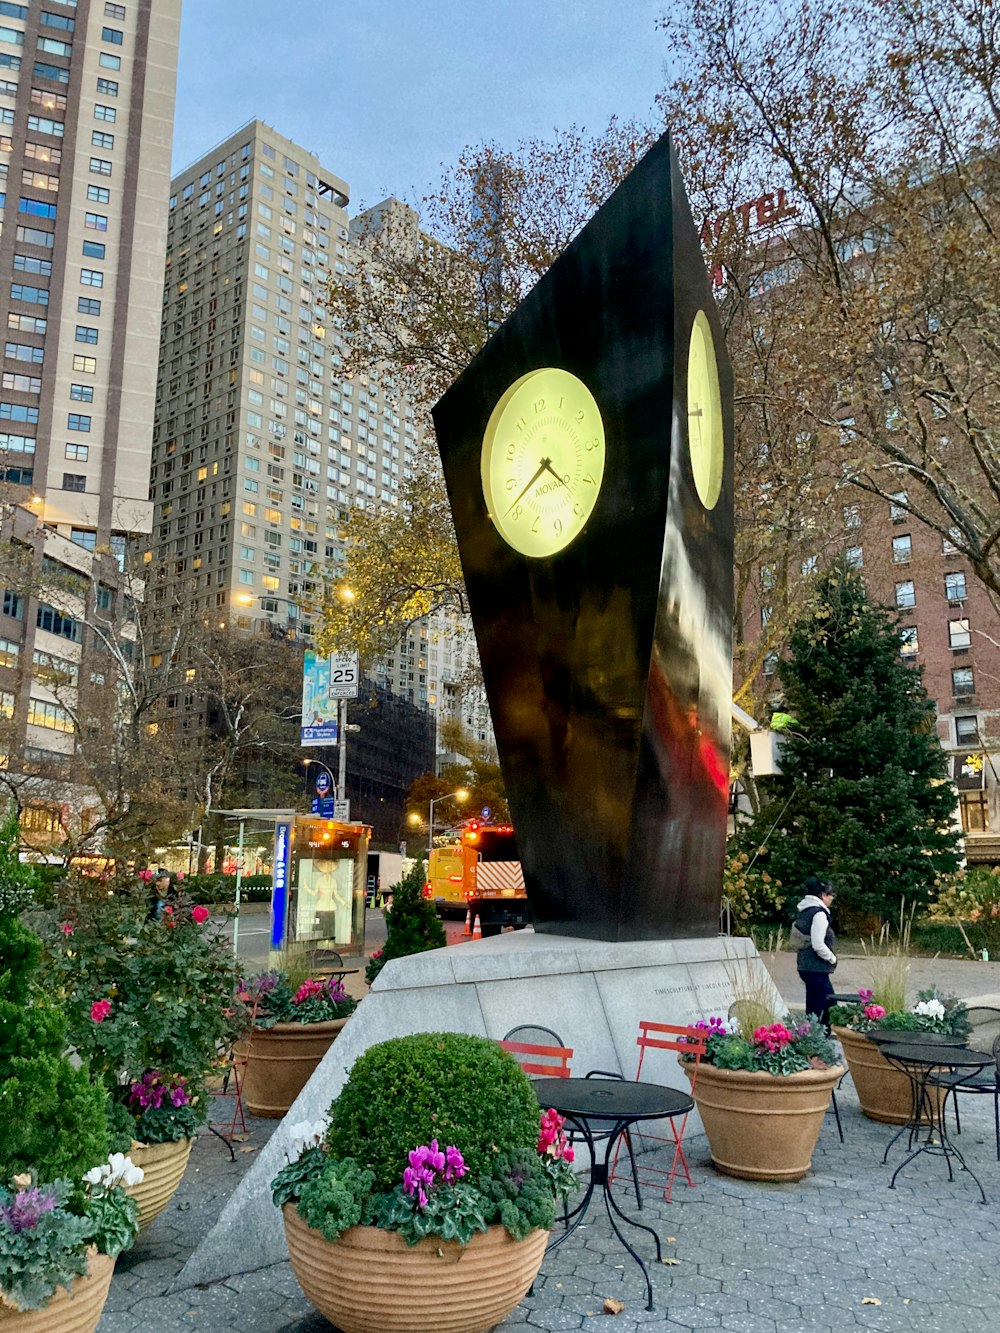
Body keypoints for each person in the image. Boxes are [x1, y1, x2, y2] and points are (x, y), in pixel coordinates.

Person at [793, 876, 837, 1029]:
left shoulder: (804, 910)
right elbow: (818, 944)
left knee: (818, 1003)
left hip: (805, 965)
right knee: (823, 1005)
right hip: (816, 967)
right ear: (822, 895)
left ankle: (814, 1036)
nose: (832, 898)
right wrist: (832, 958)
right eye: (830, 895)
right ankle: (816, 1038)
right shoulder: (819, 914)